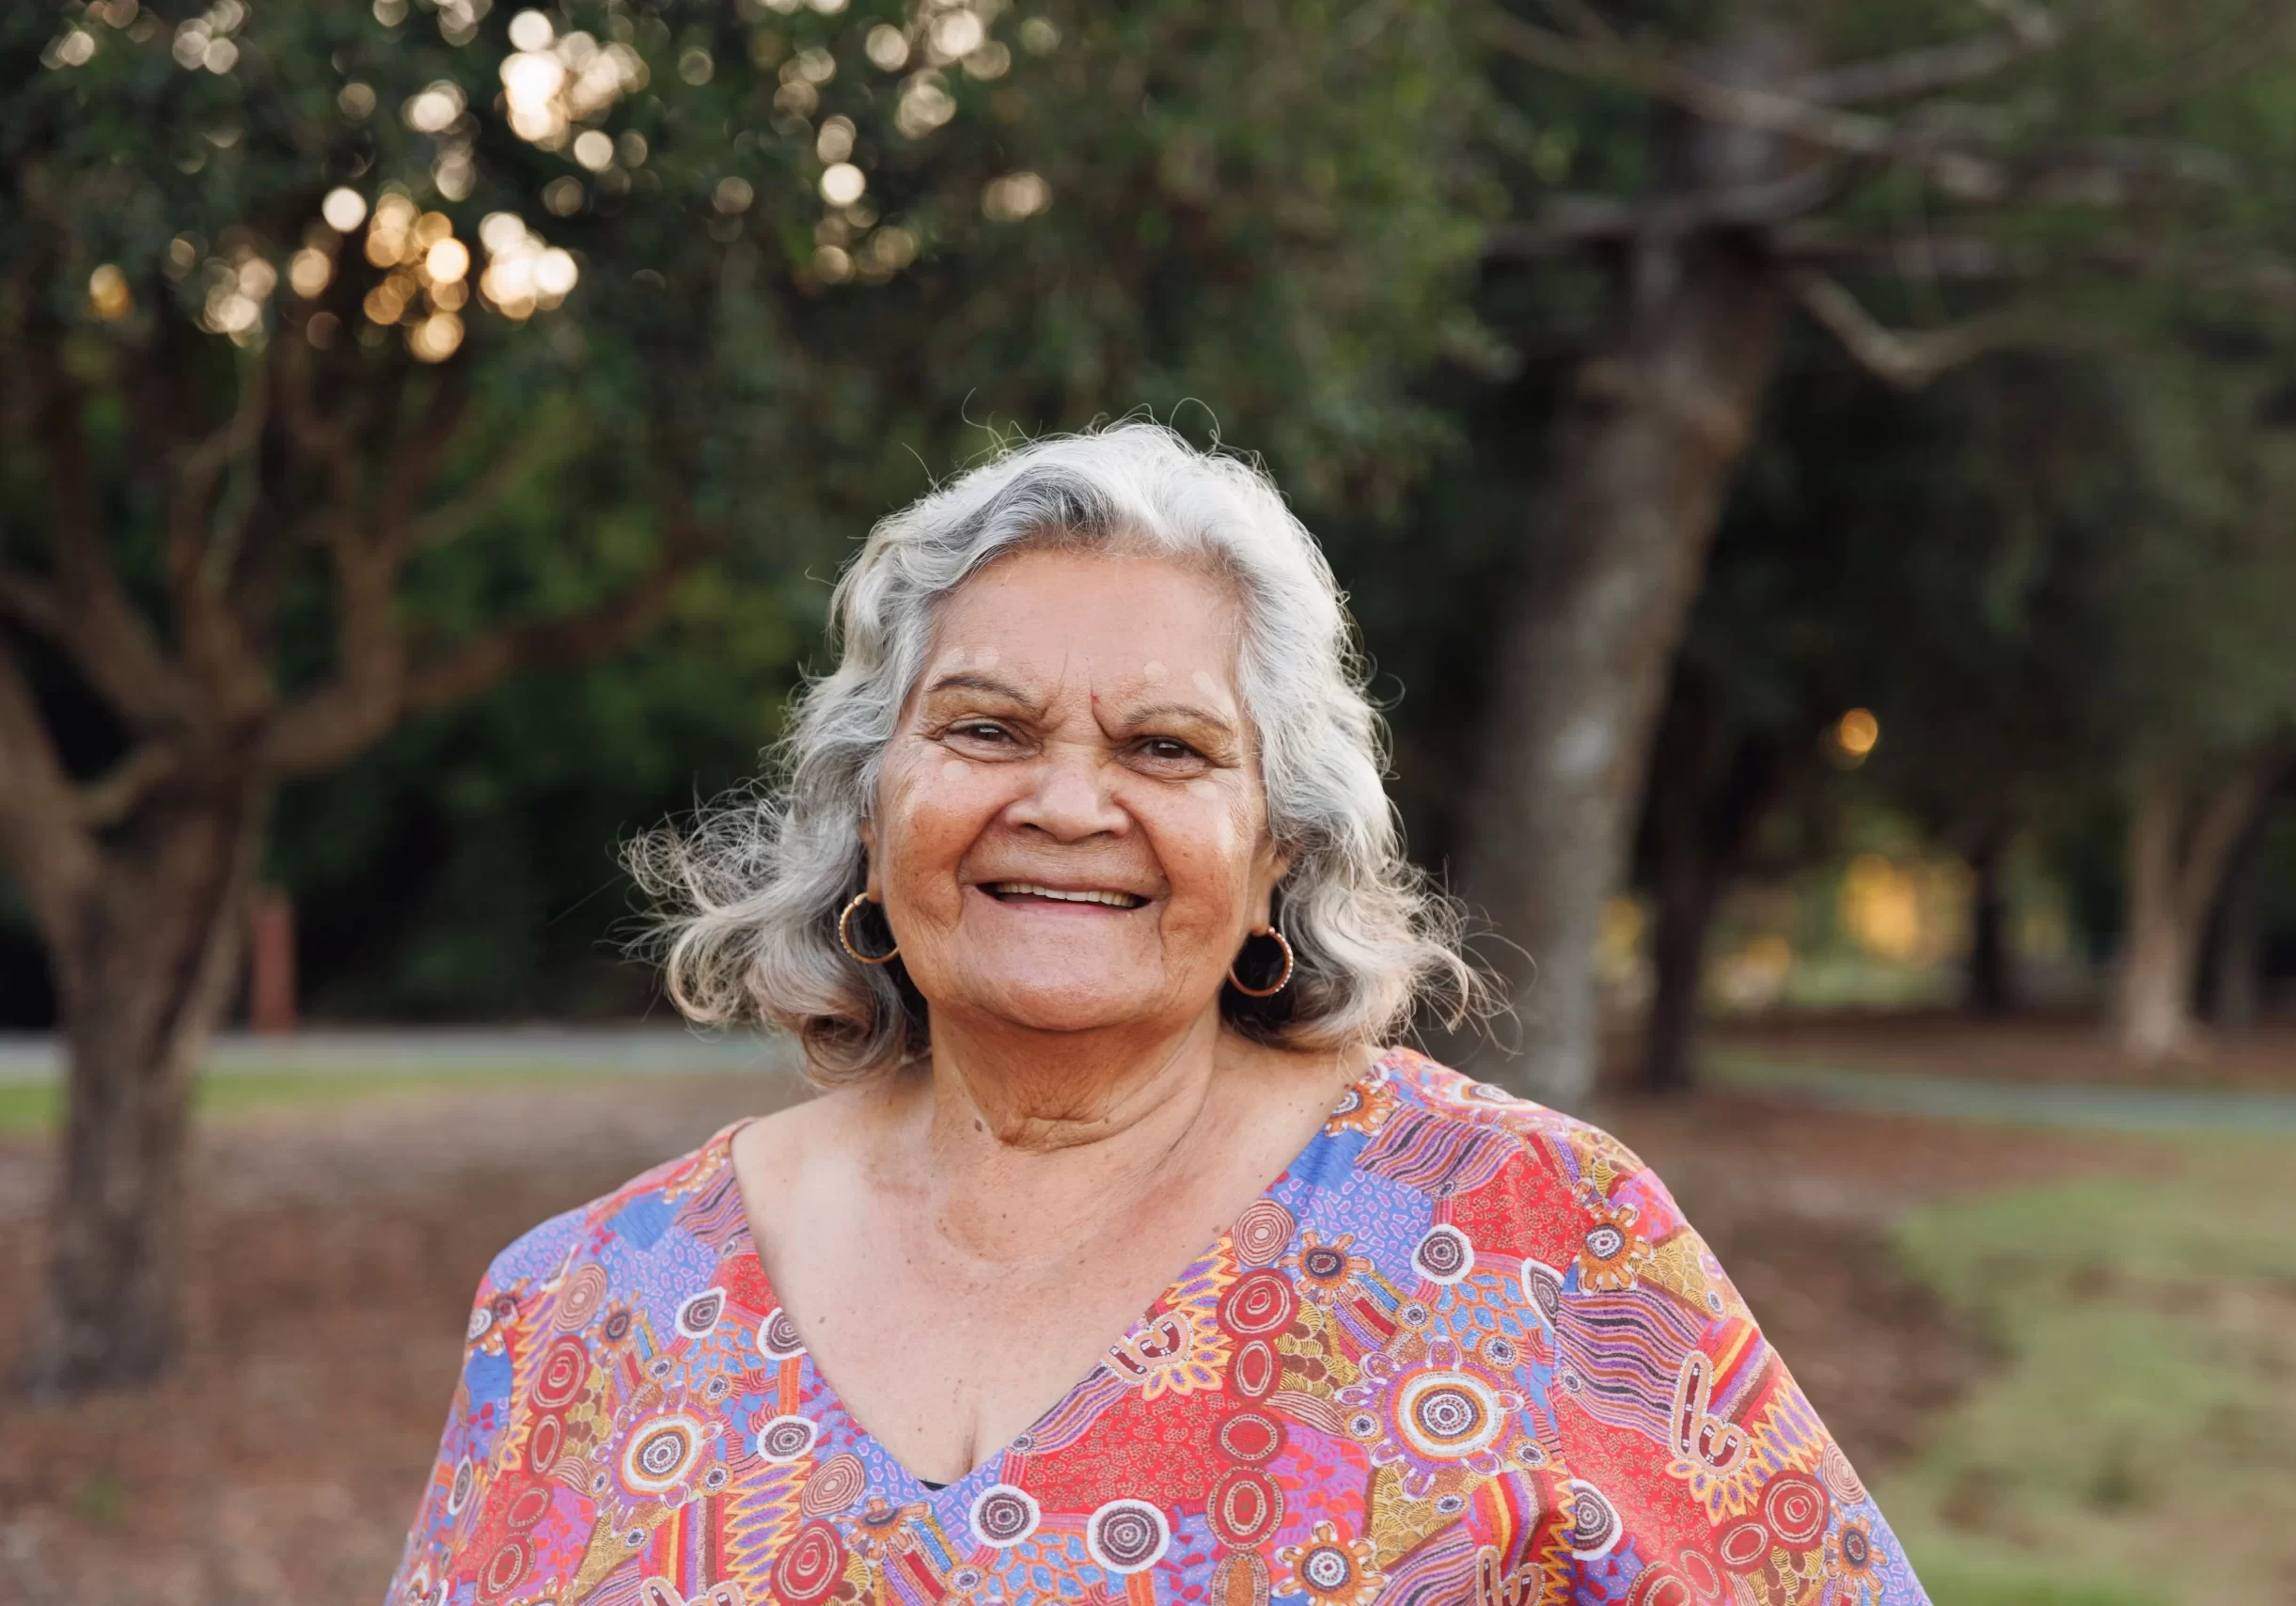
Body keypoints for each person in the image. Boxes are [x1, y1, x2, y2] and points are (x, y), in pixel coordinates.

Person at [388, 424, 1927, 1606]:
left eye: (1168, 748)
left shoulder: (1535, 1239)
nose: (1066, 804)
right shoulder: (591, 1311)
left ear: (1279, 848)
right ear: (871, 808)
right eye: (983, 728)